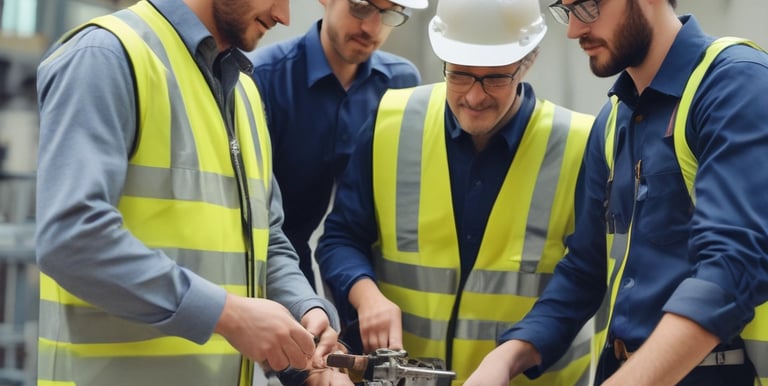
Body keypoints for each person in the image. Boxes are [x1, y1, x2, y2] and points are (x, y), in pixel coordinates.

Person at [34, 0, 347, 385]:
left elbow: (267, 238)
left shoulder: (245, 92)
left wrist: (305, 308)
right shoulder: (105, 56)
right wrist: (229, 315)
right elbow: (72, 239)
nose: (284, 16)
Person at [464, 1, 768, 385]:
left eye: (587, 6)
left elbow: (734, 264)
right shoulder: (611, 120)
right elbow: (584, 270)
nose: (573, 30)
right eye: (565, 10)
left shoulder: (737, 83)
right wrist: (506, 357)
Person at [315, 0, 596, 384]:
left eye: (495, 78)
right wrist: (366, 295)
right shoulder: (391, 121)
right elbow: (341, 237)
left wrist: (511, 358)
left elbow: (584, 279)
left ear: (528, 62)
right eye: (460, 75)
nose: (475, 97)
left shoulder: (580, 145)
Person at [247, 0, 426, 291]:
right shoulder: (260, 79)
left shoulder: (400, 85)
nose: (372, 28)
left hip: (361, 272)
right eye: (360, 6)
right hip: (267, 264)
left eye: (390, 13)